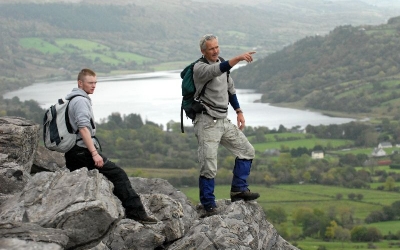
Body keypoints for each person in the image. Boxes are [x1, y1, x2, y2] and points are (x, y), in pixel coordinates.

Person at [64, 68, 157, 224]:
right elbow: (83, 128)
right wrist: (94, 153)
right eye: (90, 83)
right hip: (82, 151)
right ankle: (136, 213)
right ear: (80, 83)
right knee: (118, 174)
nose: (94, 86)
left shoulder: (73, 99)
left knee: (81, 184)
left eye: (95, 82)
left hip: (72, 151)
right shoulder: (80, 101)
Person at [192, 34, 260, 216]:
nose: (215, 51)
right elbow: (218, 69)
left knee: (246, 151)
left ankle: (239, 190)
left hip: (223, 120)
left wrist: (239, 111)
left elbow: (230, 90)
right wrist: (237, 58)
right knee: (209, 165)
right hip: (207, 122)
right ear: (203, 51)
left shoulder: (222, 63)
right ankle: (209, 205)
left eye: (217, 47)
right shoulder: (200, 68)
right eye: (211, 49)